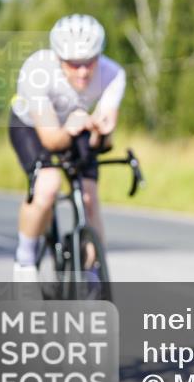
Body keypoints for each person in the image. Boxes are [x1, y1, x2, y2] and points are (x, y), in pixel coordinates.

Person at [9, 14, 126, 282]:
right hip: (31, 126)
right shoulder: (36, 71)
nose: (83, 71)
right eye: (74, 64)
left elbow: (104, 144)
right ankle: (25, 259)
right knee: (47, 187)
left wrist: (99, 130)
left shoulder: (113, 74)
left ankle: (92, 269)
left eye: (90, 62)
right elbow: (51, 141)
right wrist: (73, 127)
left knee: (88, 196)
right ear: (58, 58)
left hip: (77, 123)